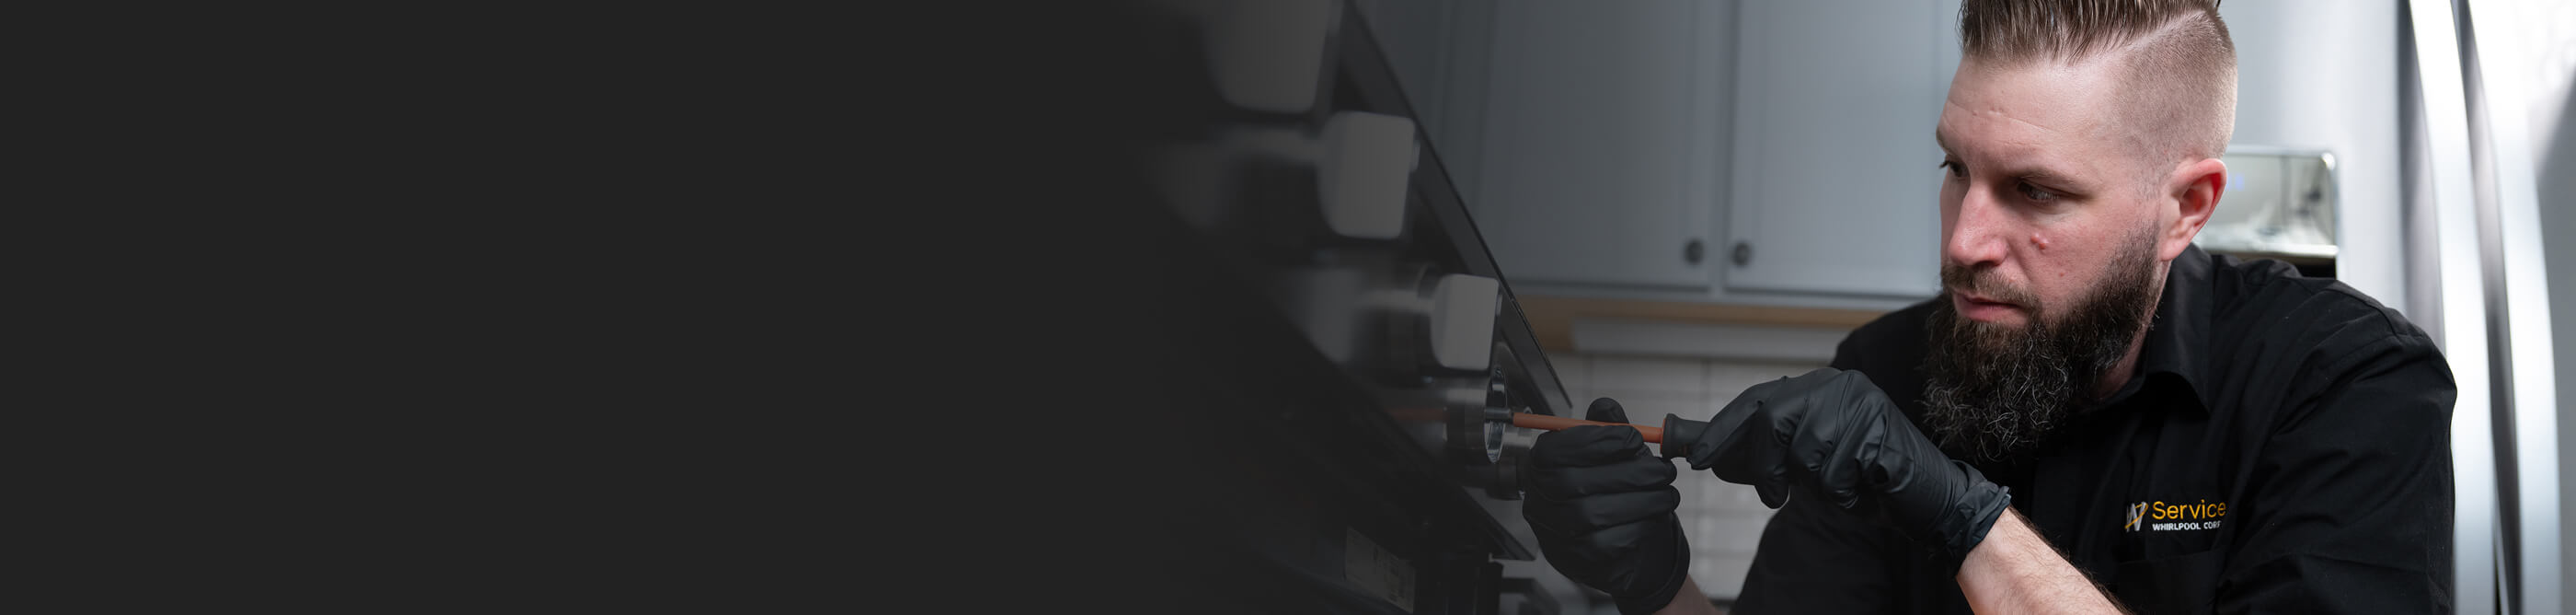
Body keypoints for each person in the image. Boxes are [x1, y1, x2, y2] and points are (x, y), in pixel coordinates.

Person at [1518, 1, 2457, 613]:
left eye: (2035, 191)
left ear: (2184, 207)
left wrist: (1962, 513)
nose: (1964, 238)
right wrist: (1648, 582)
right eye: (1954, 167)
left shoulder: (2347, 382)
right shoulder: (1886, 372)